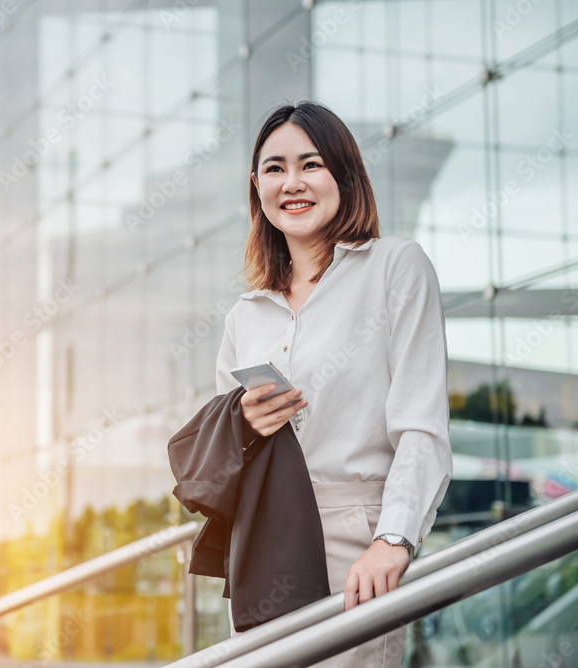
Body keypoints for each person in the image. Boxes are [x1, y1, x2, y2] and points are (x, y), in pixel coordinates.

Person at [214, 101, 453, 667]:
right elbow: (225, 456)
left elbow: (422, 426)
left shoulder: (396, 267)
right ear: (256, 187)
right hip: (262, 544)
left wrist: (393, 539)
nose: (291, 183)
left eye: (311, 164)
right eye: (274, 169)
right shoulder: (245, 315)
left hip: (357, 542)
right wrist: (244, 424)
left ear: (344, 174)